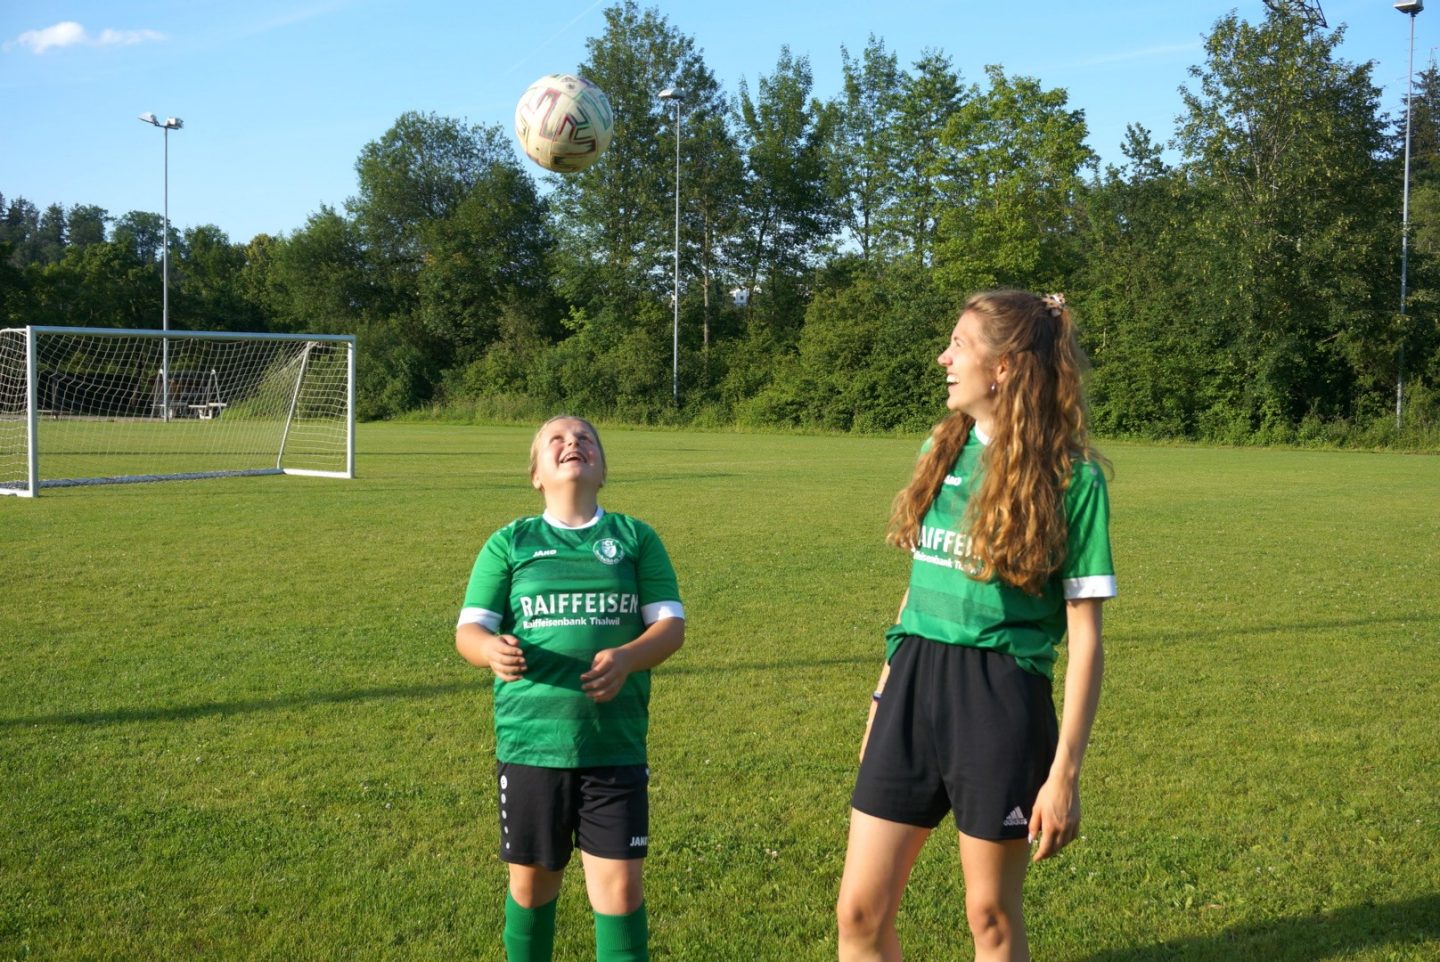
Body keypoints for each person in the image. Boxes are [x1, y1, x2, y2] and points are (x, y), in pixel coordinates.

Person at [835, 291, 1115, 962]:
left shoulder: (1072, 481)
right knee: (859, 912)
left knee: (989, 915)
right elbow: (914, 594)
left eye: (958, 344)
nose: (943, 358)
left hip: (999, 699)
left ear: (1006, 368)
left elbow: (1086, 640)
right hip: (912, 683)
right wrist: (882, 697)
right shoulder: (943, 445)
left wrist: (1065, 774)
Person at [456, 415, 685, 962]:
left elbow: (670, 627)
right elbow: (470, 631)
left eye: (585, 439)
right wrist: (490, 650)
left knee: (621, 891)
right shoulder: (511, 542)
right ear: (536, 473)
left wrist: (627, 658)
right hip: (533, 744)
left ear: (602, 470)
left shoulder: (634, 538)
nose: (572, 444)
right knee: (533, 888)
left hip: (614, 744)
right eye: (555, 440)